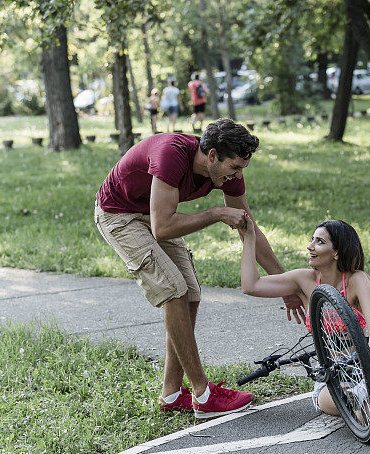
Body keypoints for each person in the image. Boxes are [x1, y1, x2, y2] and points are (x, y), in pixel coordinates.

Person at [94, 118, 305, 418]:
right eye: (235, 167)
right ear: (213, 156)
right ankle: (203, 394)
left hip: (153, 214)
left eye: (242, 168)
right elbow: (163, 227)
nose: (238, 175)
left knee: (190, 293)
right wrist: (217, 213)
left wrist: (284, 284)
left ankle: (170, 394)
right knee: (174, 290)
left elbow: (249, 229)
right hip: (120, 215)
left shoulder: (228, 174)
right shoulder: (172, 155)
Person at [240, 219, 370, 442]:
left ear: (336, 253)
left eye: (319, 241)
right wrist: (249, 238)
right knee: (346, 398)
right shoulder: (303, 280)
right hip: (334, 381)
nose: (310, 246)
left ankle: (364, 391)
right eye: (312, 240)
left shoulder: (356, 279)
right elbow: (250, 286)